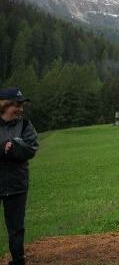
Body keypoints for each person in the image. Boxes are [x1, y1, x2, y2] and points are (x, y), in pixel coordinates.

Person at [0, 88, 38, 265]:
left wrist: (15, 146)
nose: (21, 109)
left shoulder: (25, 125)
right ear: (4, 104)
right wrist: (3, 148)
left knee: (16, 228)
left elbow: (32, 148)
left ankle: (18, 260)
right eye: (17, 104)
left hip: (17, 183)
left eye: (22, 105)